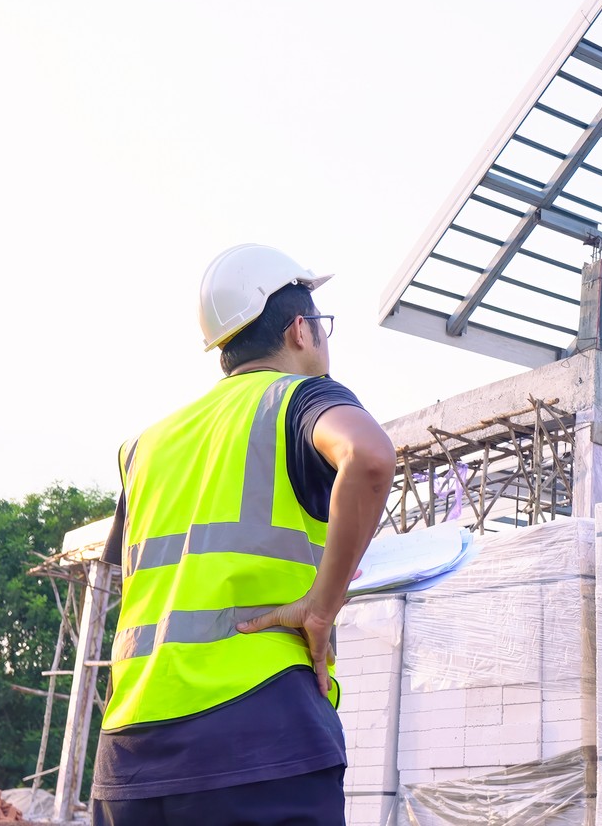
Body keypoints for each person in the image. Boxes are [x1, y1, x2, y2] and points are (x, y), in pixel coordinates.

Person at [91, 244, 396, 825]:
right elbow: (371, 456)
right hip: (259, 737)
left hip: (130, 752)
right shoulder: (297, 398)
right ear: (302, 330)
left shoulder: (145, 445)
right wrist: (320, 608)